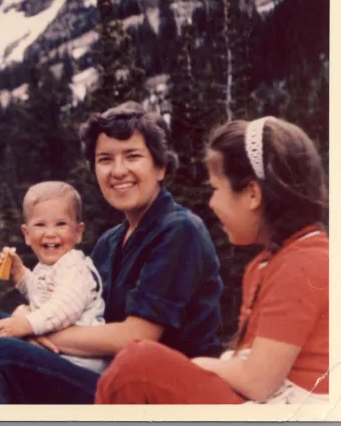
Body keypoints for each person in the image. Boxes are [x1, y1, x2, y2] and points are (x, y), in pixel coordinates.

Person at [0, 101, 223, 404]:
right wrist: (27, 320)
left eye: (132, 156)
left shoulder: (179, 230)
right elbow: (71, 303)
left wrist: (30, 330)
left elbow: (137, 337)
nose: (118, 171)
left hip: (164, 394)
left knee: (2, 350)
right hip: (117, 378)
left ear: (160, 167)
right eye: (105, 159)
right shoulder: (110, 241)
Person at [95, 116, 329, 404]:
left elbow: (257, 381)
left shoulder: (303, 264)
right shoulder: (267, 264)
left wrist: (196, 365)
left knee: (136, 366)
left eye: (216, 189)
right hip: (270, 402)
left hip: (293, 410)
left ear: (253, 194)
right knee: (137, 364)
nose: (211, 203)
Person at [0, 182, 107, 373]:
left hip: (81, 362)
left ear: (78, 232)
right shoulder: (48, 266)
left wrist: (25, 324)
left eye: (61, 224)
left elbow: (62, 308)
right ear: (27, 234)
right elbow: (41, 293)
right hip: (60, 354)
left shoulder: (74, 267)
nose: (50, 233)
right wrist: (20, 273)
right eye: (40, 225)